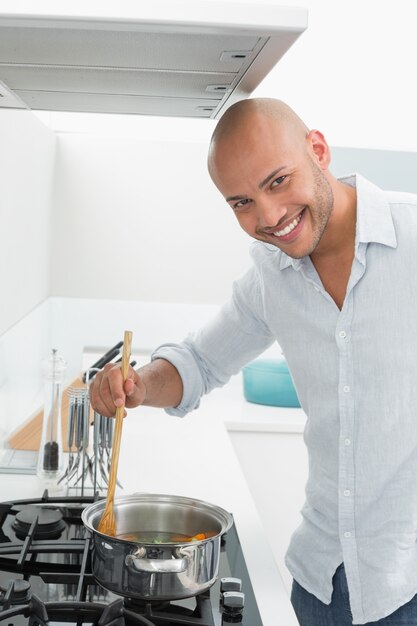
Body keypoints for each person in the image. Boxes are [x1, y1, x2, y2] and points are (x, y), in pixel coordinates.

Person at [89, 98, 417, 625]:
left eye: (278, 181)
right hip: (322, 586)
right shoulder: (273, 275)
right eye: (241, 202)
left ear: (318, 149)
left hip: (409, 585)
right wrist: (137, 386)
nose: (268, 217)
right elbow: (197, 361)